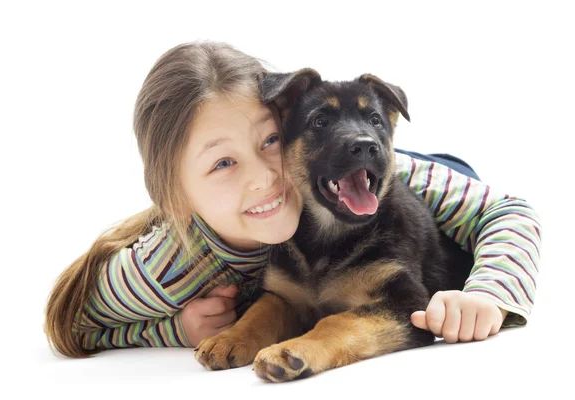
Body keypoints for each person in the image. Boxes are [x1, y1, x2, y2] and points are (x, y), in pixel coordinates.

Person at [44, 41, 541, 358]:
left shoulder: (389, 174)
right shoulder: (168, 268)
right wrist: (175, 328)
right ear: (177, 197)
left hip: (434, 183)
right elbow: (76, 320)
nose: (264, 177)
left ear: (282, 124)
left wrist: (490, 293)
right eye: (222, 163)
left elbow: (508, 211)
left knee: (382, 166)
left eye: (269, 142)